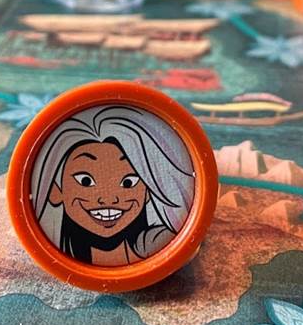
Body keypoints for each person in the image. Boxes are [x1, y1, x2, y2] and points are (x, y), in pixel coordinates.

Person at [31, 105, 195, 266]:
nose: (108, 198)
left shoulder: (157, 240)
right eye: (85, 181)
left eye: (128, 182)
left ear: (147, 191)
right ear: (55, 191)